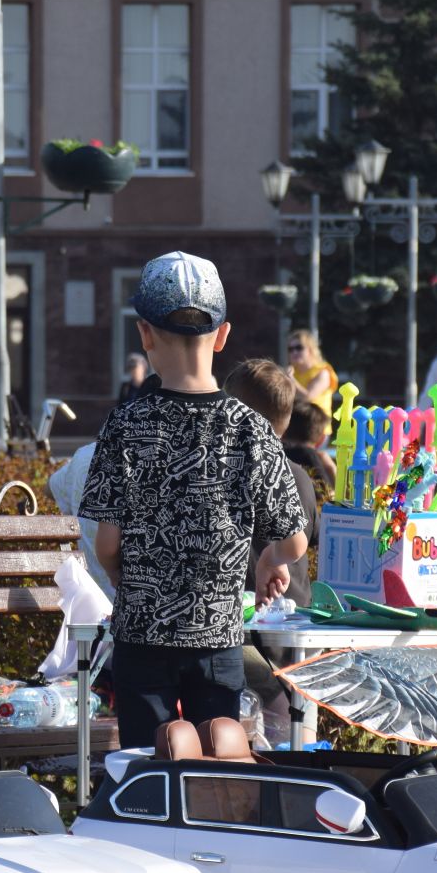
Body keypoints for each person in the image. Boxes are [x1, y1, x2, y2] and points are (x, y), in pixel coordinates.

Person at [80, 251, 307, 750]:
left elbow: (106, 545)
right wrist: (269, 558)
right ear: (222, 335)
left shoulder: (126, 424)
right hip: (218, 642)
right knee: (215, 769)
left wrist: (128, 582)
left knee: (148, 765)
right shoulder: (251, 428)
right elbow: (294, 541)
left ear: (144, 334)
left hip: (142, 637)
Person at [225, 358, 323, 748]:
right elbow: (305, 541)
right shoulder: (299, 475)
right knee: (300, 744)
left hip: (250, 636)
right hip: (299, 637)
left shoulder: (228, 472)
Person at [284, 399, 337, 491]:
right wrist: (331, 469)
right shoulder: (309, 456)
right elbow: (326, 497)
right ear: (321, 439)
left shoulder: (272, 451)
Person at [285, 328, 338, 418]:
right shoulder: (291, 372)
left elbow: (308, 397)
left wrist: (291, 379)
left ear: (310, 349)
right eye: (291, 349)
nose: (294, 352)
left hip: (318, 427)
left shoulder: (323, 371)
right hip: (296, 424)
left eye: (299, 348)